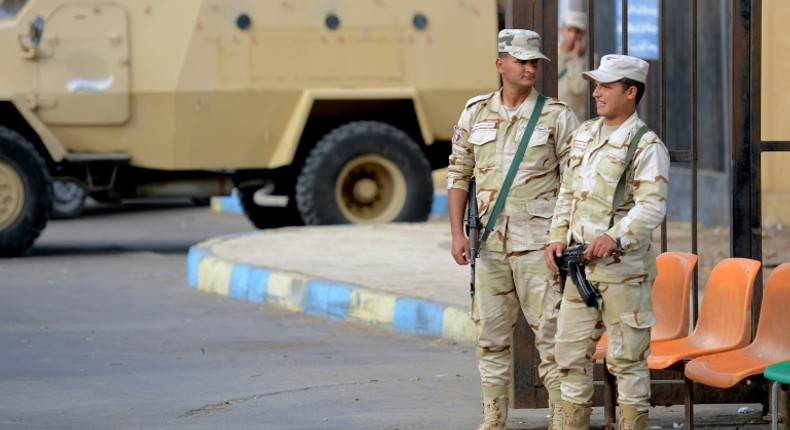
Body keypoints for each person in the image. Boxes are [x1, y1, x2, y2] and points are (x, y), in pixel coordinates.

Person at [447, 29, 579, 430]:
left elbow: (574, 181)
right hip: (489, 244)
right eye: (521, 60)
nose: (529, 68)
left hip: (539, 244)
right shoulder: (475, 112)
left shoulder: (557, 115)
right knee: (489, 335)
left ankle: (562, 415)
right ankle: (493, 416)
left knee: (552, 336)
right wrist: (457, 233)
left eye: (534, 61)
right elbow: (458, 173)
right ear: (500, 64)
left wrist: (563, 236)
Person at [543, 54, 670, 430]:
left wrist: (613, 238)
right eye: (596, 85)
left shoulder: (647, 146)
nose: (596, 92)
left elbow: (651, 208)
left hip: (624, 274)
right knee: (567, 354)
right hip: (579, 268)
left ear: (631, 92)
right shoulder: (584, 134)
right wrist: (555, 237)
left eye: (606, 86)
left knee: (627, 362)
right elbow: (567, 192)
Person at [558, 11, 591, 123]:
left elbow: (579, 88)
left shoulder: (589, 59)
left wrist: (577, 58)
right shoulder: (552, 52)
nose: (573, 36)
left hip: (574, 121)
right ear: (561, 30)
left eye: (578, 32)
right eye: (570, 30)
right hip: (551, 118)